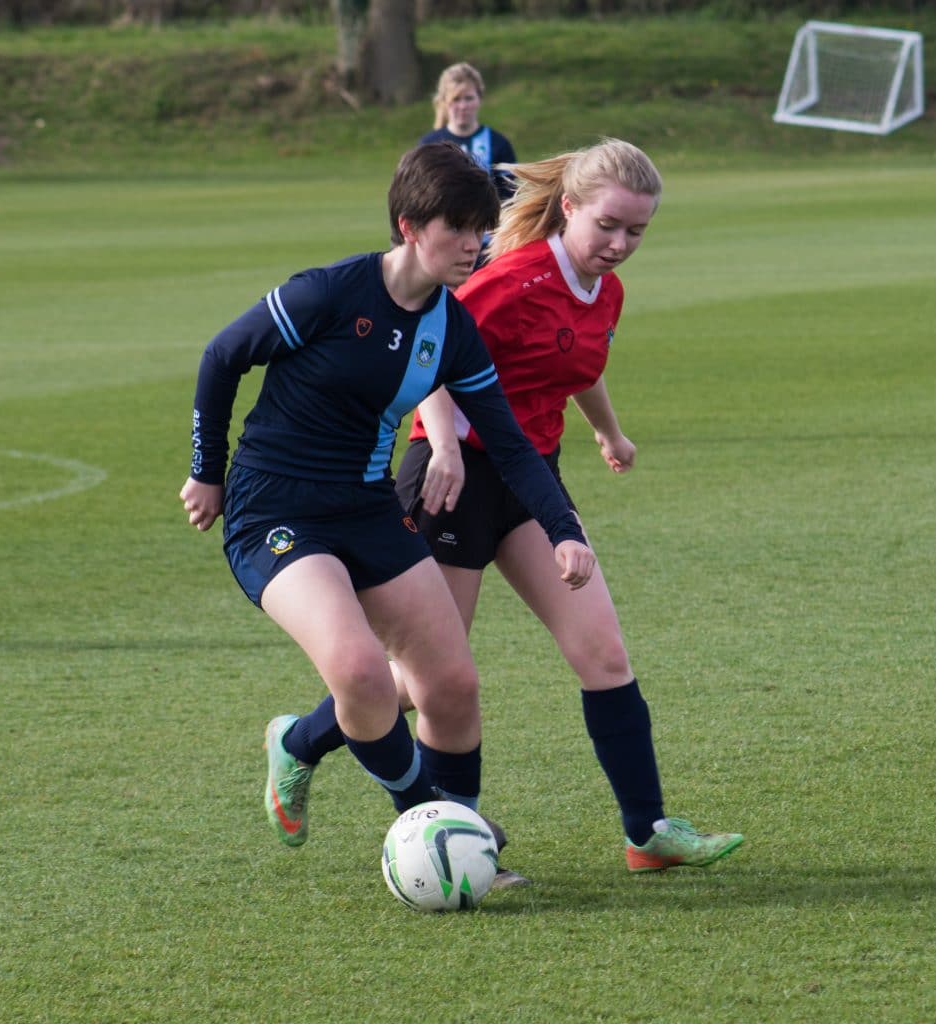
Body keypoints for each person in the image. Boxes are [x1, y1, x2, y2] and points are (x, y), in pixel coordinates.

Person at [271, 139, 743, 875]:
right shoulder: (511, 279)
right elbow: (426, 340)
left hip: (530, 480)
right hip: (450, 478)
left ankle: (647, 831)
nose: (620, 245)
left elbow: (574, 363)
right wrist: (445, 441)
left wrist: (606, 430)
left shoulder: (605, 291)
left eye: (638, 232)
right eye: (609, 226)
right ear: (570, 208)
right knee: (431, 681)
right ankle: (306, 747)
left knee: (603, 651)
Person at [178, 142, 596, 847]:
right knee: (360, 671)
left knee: (452, 685)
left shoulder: (452, 330)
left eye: (480, 228)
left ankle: (455, 841)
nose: (474, 244)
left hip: (367, 506)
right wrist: (206, 469)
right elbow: (223, 356)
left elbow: (510, 442)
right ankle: (431, 822)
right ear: (408, 226)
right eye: (455, 230)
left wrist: (563, 528)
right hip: (274, 508)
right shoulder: (329, 293)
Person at [419, 62, 517, 202]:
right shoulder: (429, 145)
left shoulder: (499, 144)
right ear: (444, 102)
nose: (463, 106)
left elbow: (510, 198)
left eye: (469, 98)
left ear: (480, 99)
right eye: (456, 99)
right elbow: (420, 196)